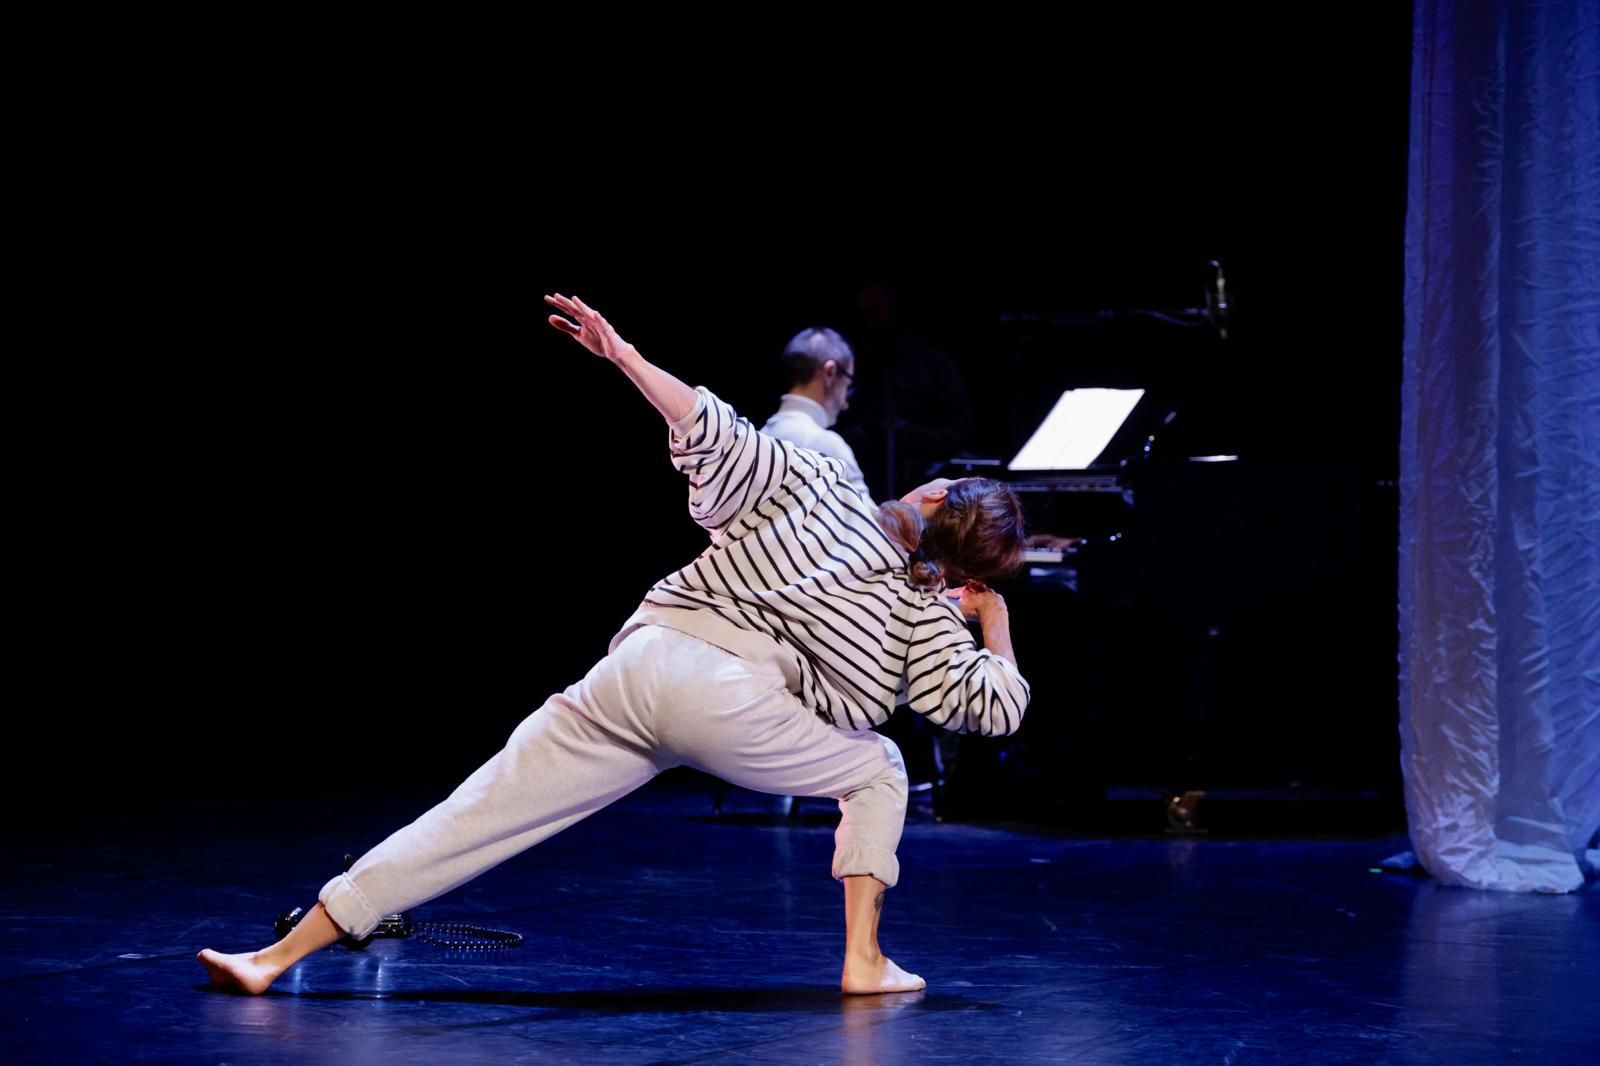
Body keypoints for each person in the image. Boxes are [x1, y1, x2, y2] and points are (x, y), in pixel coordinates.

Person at [197, 293, 1029, 998]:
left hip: (643, 664)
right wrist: (988, 620)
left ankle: (272, 960)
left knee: (473, 814)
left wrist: (624, 354)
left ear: (931, 491)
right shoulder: (917, 615)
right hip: (733, 708)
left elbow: (712, 428)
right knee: (879, 768)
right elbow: (992, 709)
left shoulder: (816, 480)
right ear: (962, 562)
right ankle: (863, 959)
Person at [762, 326, 872, 498]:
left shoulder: (762, 437)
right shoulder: (829, 446)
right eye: (847, 385)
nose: (845, 404)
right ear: (830, 372)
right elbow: (870, 523)